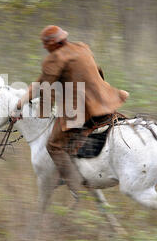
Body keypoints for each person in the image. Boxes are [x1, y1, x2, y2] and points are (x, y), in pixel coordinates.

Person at [12, 25, 129, 195]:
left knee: (53, 145)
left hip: (81, 108)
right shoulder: (82, 47)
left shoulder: (55, 58)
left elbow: (41, 86)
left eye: (45, 44)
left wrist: (18, 105)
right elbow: (99, 71)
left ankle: (74, 185)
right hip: (104, 97)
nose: (44, 47)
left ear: (53, 43)